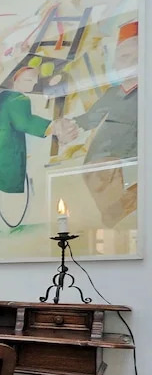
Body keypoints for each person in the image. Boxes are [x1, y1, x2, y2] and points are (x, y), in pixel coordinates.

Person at [65, 20, 138, 227]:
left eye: (138, 58)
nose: (132, 63)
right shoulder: (112, 93)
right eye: (125, 57)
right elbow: (90, 118)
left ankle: (117, 216)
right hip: (104, 151)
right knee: (100, 178)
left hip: (132, 151)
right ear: (115, 63)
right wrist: (70, 125)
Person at [0, 67, 76, 193]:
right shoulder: (18, 98)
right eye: (28, 80)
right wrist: (54, 127)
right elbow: (26, 122)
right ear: (16, 79)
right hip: (3, 153)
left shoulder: (2, 95)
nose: (32, 84)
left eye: (35, 81)